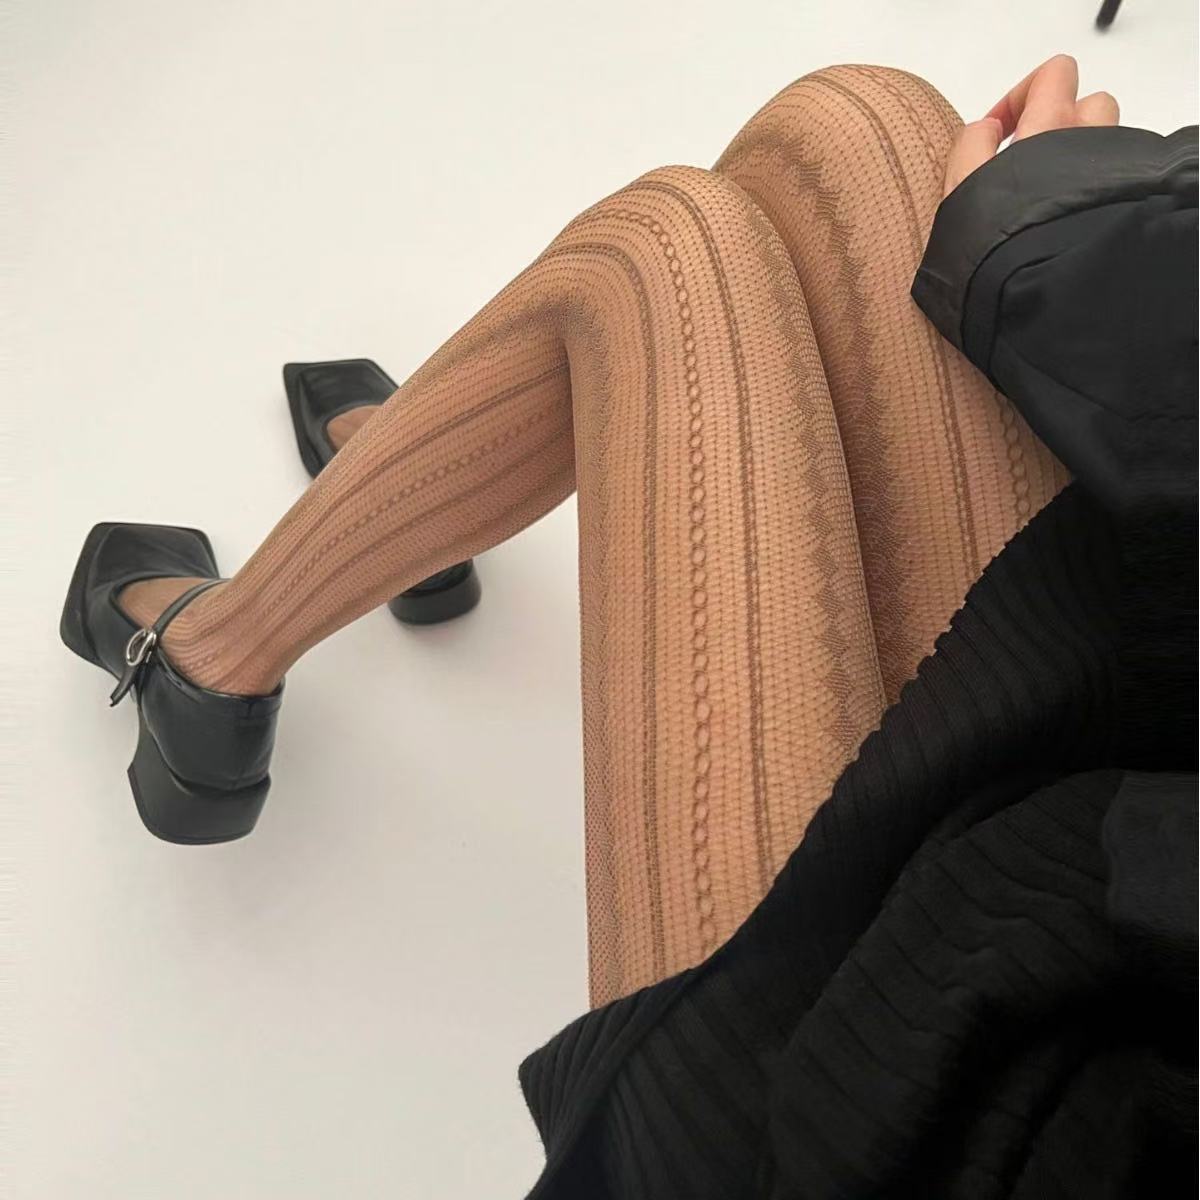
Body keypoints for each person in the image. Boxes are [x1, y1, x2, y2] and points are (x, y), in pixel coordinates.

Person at [62, 57, 1196, 1195]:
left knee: (654, 255)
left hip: (925, 1106)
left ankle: (224, 650)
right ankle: (417, 495)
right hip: (1130, 788)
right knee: (862, 127)